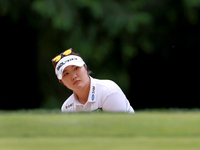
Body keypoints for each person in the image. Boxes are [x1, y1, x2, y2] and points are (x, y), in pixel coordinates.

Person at [52, 48, 134, 113]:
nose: (73, 76)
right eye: (66, 74)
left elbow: (119, 129)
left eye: (76, 68)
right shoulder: (67, 108)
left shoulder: (107, 91)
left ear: (85, 67)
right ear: (61, 81)